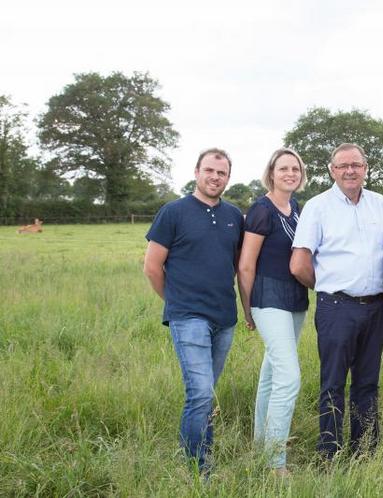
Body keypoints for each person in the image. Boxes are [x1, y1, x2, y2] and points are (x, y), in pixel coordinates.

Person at [290, 143, 383, 460]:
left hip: (375, 307)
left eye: (356, 165)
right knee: (333, 383)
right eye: (342, 166)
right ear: (332, 170)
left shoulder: (381, 205)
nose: (350, 171)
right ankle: (330, 454)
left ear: (366, 168)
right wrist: (326, 286)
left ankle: (364, 452)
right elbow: (298, 264)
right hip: (336, 307)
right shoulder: (318, 207)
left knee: (367, 383)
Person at [143, 148, 244, 474]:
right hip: (188, 316)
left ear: (228, 177)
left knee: (207, 392)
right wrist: (176, 303)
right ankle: (198, 469)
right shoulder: (173, 212)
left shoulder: (233, 216)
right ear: (197, 172)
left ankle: (203, 451)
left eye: (222, 173)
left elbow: (239, 265)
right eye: (210, 171)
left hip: (224, 317)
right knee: (199, 393)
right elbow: (152, 266)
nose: (215, 177)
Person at [237, 148, 309, 474]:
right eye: (284, 168)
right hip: (268, 298)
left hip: (295, 298)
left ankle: (259, 444)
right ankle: (274, 463)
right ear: (272, 172)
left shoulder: (297, 209)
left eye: (295, 168)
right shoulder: (261, 210)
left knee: (270, 374)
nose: (290, 173)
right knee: (288, 377)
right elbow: (246, 264)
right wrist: (248, 307)